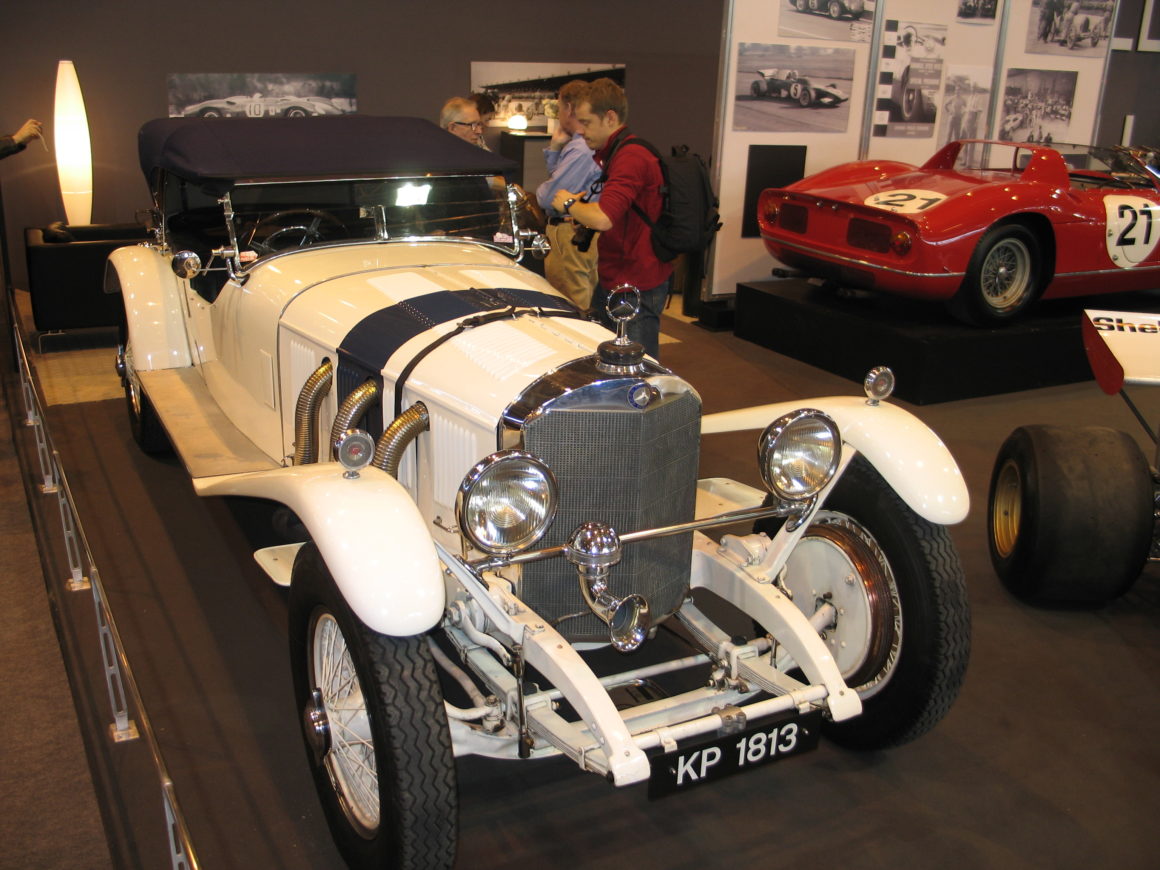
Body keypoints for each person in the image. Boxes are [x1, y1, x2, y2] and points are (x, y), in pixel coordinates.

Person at [550, 78, 670, 358]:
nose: (581, 130)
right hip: (618, 276)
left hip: (634, 281)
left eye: (586, 122)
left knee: (635, 365)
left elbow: (604, 218)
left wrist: (568, 203)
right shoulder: (619, 153)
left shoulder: (631, 157)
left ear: (610, 118)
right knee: (607, 357)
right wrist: (583, 213)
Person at [535, 80, 601, 312]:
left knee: (570, 305)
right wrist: (555, 149)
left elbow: (548, 197)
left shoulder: (581, 149)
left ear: (569, 108)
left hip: (570, 234)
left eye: (559, 107)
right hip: (574, 231)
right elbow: (558, 182)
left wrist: (543, 189)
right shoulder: (579, 146)